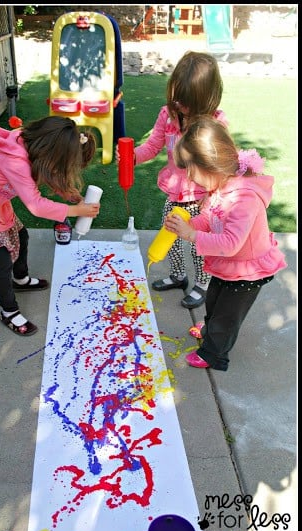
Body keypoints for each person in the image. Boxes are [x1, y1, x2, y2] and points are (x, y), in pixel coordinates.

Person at [0, 116, 100, 336]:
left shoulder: (29, 147)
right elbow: (35, 205)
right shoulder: (15, 161)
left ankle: (21, 279)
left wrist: (67, 194)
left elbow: (43, 174)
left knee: (22, 235)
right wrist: (76, 211)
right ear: (50, 152)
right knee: (1, 260)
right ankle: (9, 312)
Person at [165, 115, 287, 371]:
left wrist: (191, 235)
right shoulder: (220, 187)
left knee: (227, 315)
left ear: (210, 165)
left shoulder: (245, 198)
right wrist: (186, 228)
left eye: (191, 170)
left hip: (247, 271)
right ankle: (211, 331)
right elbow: (209, 218)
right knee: (214, 301)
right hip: (229, 264)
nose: (189, 177)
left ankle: (213, 353)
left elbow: (231, 242)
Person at [119, 51, 228, 309]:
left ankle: (202, 282)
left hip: (202, 200)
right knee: (170, 239)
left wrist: (214, 198)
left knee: (197, 246)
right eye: (176, 98)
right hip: (174, 194)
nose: (179, 105)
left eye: (186, 101)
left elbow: (221, 165)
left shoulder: (215, 123)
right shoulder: (167, 116)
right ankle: (179, 276)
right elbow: (153, 145)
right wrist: (132, 157)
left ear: (206, 99)